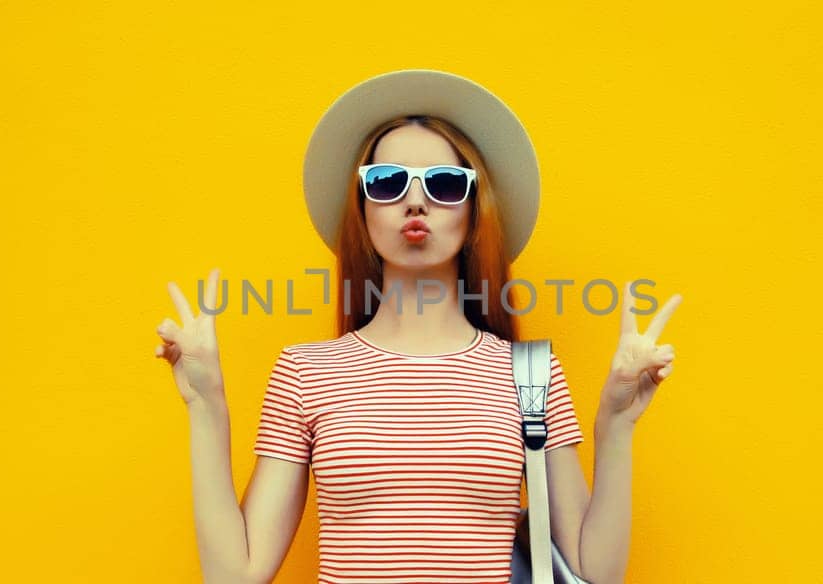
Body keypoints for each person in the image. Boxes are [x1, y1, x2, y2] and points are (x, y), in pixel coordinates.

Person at [155, 70, 681, 584]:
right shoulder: (306, 372)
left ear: (476, 213)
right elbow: (235, 575)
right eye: (386, 182)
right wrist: (206, 405)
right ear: (362, 212)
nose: (415, 200)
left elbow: (597, 573)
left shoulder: (530, 375)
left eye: (445, 183)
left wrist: (616, 427)